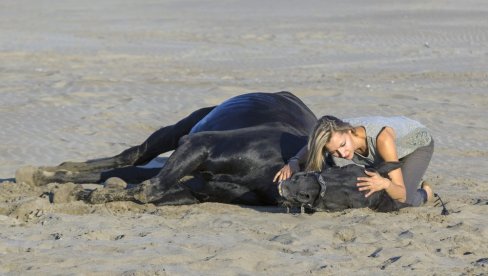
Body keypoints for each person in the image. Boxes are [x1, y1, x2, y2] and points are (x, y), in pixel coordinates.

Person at [273, 115, 434, 206]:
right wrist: (294, 161)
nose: (342, 153)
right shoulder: (336, 132)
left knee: (401, 202)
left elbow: (401, 193)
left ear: (350, 131)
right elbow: (312, 146)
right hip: (386, 153)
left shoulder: (381, 139)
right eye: (334, 151)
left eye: (343, 145)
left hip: (416, 145)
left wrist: (385, 184)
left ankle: (426, 193)